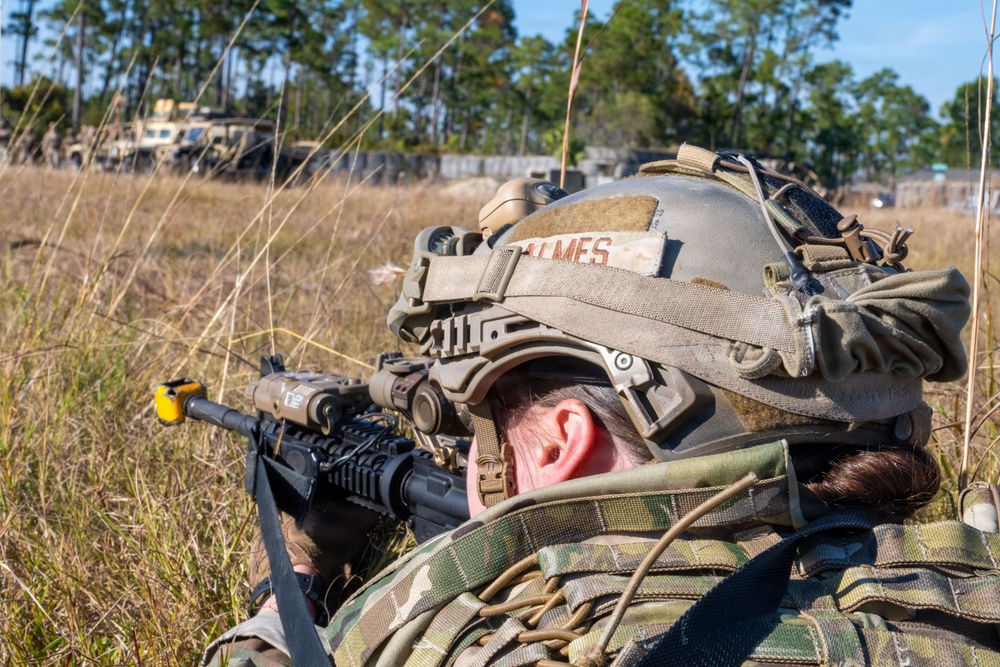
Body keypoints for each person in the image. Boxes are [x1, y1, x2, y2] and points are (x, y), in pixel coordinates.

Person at [204, 144, 995, 667]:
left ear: (558, 443)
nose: (464, 456)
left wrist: (295, 581)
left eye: (479, 423)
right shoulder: (967, 583)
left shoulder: (507, 635)